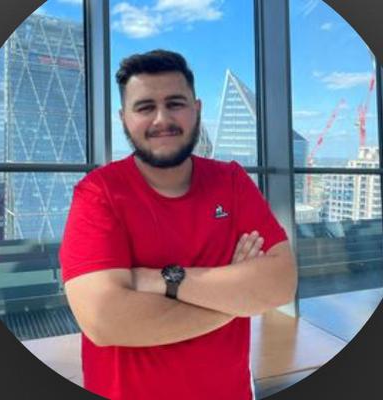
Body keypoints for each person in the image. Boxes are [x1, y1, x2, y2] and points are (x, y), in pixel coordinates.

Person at [59, 49, 297, 400]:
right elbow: (105, 321)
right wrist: (237, 300)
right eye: (145, 107)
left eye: (175, 103)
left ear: (196, 109)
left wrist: (160, 279)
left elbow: (280, 285)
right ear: (123, 118)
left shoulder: (232, 182)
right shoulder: (99, 193)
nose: (162, 119)